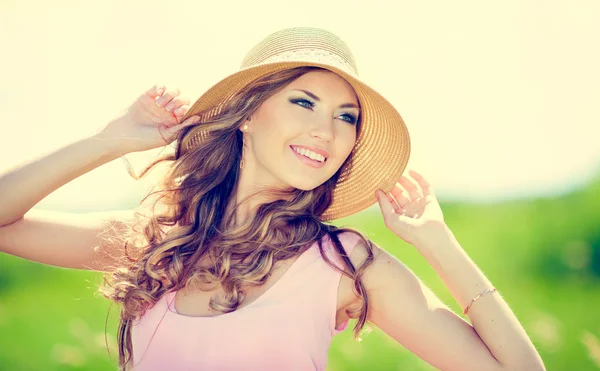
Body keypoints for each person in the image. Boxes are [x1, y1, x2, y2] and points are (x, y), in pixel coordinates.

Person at [0, 27, 544, 371]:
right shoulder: (157, 240)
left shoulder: (347, 264)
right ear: (247, 115)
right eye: (303, 102)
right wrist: (109, 141)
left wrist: (438, 243)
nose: (326, 132)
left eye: (345, 117)